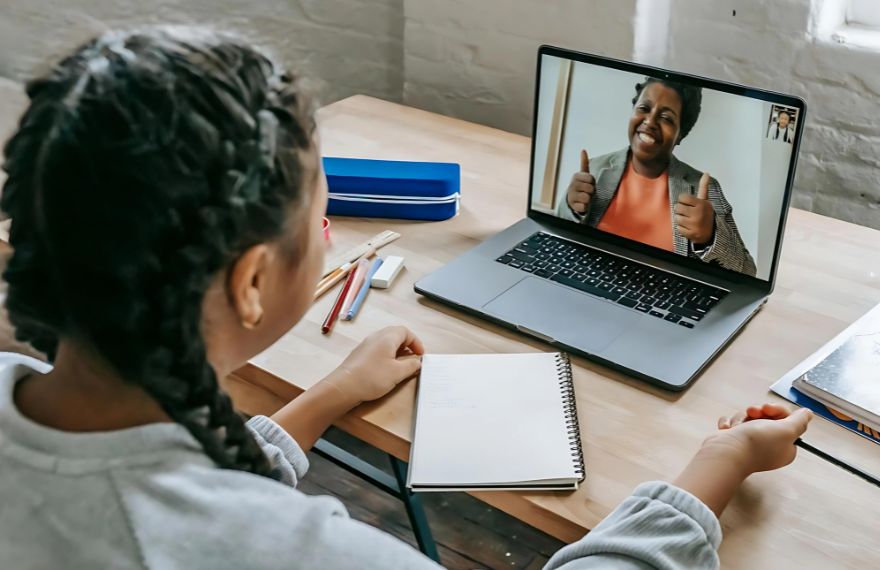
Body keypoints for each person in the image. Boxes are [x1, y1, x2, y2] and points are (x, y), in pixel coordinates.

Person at [0, 27, 811, 569]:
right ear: (250, 282)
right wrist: (716, 464)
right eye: (319, 209)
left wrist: (322, 401)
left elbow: (171, 483)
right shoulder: (303, 551)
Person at [556, 77, 757, 277]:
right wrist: (569, 207)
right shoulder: (594, 170)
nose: (650, 121)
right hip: (590, 283)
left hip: (663, 301)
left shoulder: (703, 189)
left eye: (667, 118)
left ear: (680, 135)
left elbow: (748, 272)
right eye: (644, 108)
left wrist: (710, 236)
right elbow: (558, 241)